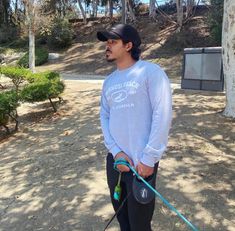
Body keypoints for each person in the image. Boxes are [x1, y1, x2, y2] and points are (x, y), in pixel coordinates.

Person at [97, 24, 172, 231]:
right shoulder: (109, 82)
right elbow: (105, 116)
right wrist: (116, 152)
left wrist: (149, 158)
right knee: (123, 220)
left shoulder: (151, 72)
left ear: (129, 45)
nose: (107, 46)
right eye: (107, 42)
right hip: (116, 163)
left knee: (140, 225)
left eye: (113, 42)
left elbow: (162, 114)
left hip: (142, 165)